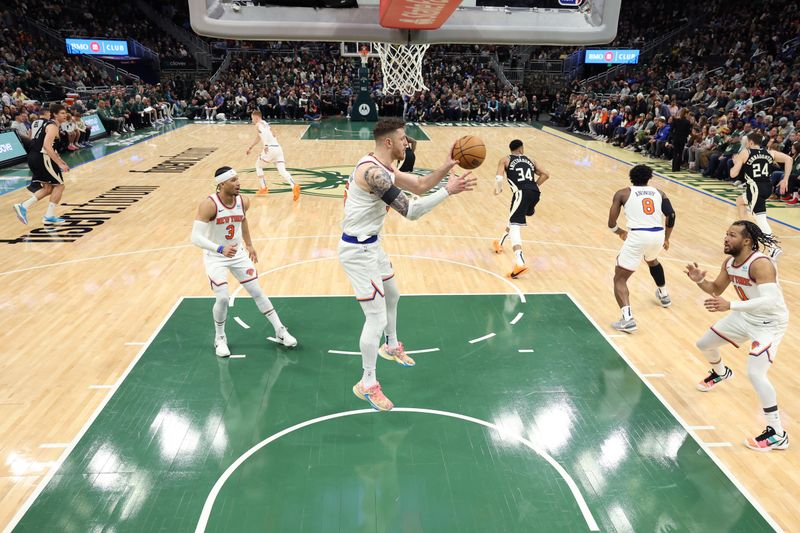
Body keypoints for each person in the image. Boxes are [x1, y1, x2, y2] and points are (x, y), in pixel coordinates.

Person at [339, 118, 476, 411]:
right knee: (374, 319)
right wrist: (449, 191)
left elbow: (421, 184)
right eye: (403, 139)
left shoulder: (382, 166)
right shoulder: (374, 173)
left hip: (371, 245)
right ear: (388, 142)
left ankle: (391, 346)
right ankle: (367, 383)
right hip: (357, 251)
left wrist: (448, 164)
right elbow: (411, 211)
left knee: (394, 294)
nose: (408, 143)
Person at [685, 221, 789, 451]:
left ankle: (777, 433)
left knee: (755, 373)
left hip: (768, 324)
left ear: (747, 241)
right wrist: (700, 280)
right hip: (745, 316)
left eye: (732, 235)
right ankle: (721, 373)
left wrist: (730, 305)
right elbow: (716, 290)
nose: (726, 238)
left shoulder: (760, 264)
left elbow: (771, 300)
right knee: (704, 344)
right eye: (726, 234)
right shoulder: (730, 263)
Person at [191, 166, 297, 357]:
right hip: (216, 256)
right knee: (222, 298)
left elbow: (242, 220)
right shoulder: (209, 205)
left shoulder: (243, 201)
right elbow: (195, 238)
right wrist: (220, 248)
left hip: (237, 253)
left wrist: (249, 245)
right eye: (233, 180)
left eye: (238, 179)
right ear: (222, 184)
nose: (238, 183)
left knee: (257, 291)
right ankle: (220, 338)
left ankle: (280, 330)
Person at [607, 164, 676, 332]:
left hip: (638, 236)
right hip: (657, 234)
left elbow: (611, 223)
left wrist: (620, 232)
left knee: (620, 279)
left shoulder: (623, 193)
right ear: (649, 178)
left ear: (631, 177)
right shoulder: (659, 193)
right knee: (652, 260)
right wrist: (666, 238)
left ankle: (628, 319)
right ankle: (664, 294)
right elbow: (671, 215)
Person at [730, 130, 793, 260]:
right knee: (740, 201)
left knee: (760, 219)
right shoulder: (770, 152)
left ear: (751, 142)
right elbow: (789, 159)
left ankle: (773, 247)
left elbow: (733, 174)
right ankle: (747, 236)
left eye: (747, 142)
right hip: (766, 187)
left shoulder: (745, 153)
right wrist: (785, 179)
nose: (745, 144)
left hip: (754, 189)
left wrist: (736, 162)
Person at [492, 139, 550, 278]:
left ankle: (520, 263)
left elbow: (499, 179)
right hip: (535, 193)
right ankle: (499, 243)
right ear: (521, 149)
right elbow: (546, 174)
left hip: (520, 193)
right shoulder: (531, 159)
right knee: (514, 217)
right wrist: (533, 187)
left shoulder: (505, 160)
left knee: (514, 225)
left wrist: (498, 190)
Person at [12, 103, 70, 225]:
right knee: (59, 186)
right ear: (54, 114)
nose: (65, 115)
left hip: (34, 156)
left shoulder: (49, 125)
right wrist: (59, 163)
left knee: (48, 188)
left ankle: (23, 206)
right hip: (42, 157)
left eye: (65, 113)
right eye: (62, 113)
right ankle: (48, 216)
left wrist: (59, 157)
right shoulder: (52, 126)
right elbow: (46, 146)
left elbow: (48, 145)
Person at [246, 109, 300, 201]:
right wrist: (250, 147)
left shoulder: (258, 124)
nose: (252, 120)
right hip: (278, 148)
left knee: (258, 166)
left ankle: (264, 188)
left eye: (252, 118)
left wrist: (266, 144)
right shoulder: (266, 123)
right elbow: (261, 136)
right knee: (282, 171)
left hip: (270, 149)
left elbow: (263, 134)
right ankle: (294, 186)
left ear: (256, 116)